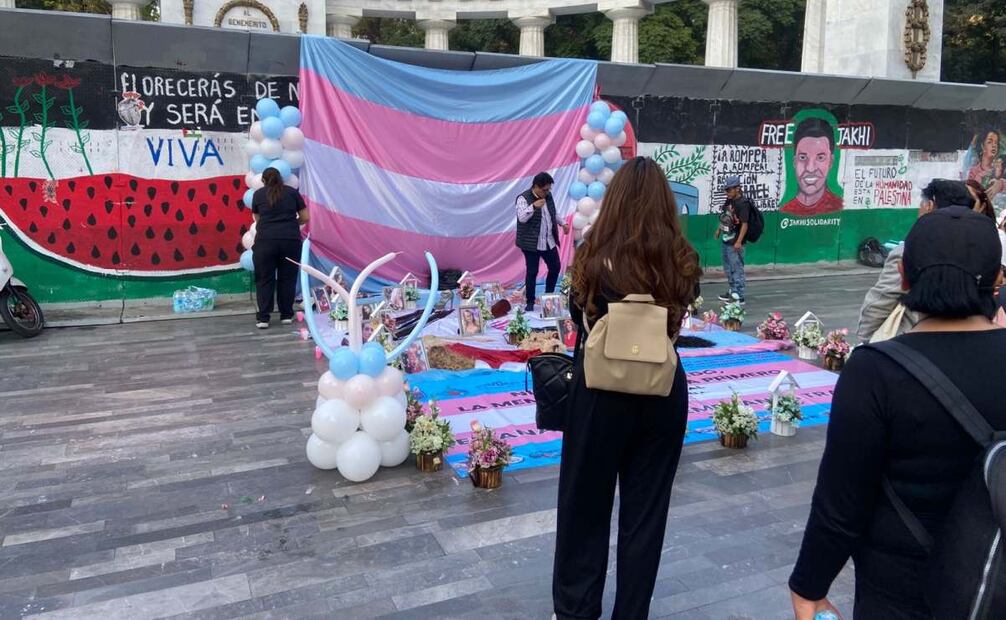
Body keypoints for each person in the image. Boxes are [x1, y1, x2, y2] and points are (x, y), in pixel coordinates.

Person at [789, 206, 1006, 619]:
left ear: (904, 277)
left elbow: (841, 503)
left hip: (900, 592)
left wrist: (809, 586)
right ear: (997, 279)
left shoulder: (874, 371)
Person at [553, 157, 700, 620]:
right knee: (645, 516)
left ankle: (577, 609)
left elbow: (578, 318)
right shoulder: (681, 261)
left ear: (614, 201)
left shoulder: (592, 256)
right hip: (660, 394)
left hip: (599, 394)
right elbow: (681, 318)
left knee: (584, 508)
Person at [857, 179, 974, 342]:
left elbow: (882, 299)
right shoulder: (977, 248)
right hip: (965, 339)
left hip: (913, 342)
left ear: (929, 206)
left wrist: (866, 340)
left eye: (921, 204)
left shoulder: (912, 250)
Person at [251, 168, 309, 329]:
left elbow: (258, 219)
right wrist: (290, 224)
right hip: (290, 241)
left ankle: (263, 318)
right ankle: (286, 315)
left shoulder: (258, 195)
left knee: (264, 279)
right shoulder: (292, 193)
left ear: (263, 181)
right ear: (281, 179)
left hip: (265, 242)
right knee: (288, 278)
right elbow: (305, 217)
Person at [516, 172, 568, 312]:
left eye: (548, 189)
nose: (547, 192)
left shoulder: (548, 196)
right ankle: (530, 301)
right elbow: (521, 218)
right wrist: (533, 206)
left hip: (548, 240)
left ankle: (549, 297)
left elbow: (553, 213)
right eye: (544, 189)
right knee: (532, 271)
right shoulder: (523, 198)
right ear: (536, 187)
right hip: (531, 243)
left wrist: (563, 223)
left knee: (555, 266)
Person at [780, 117, 844, 216]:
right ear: (794, 162)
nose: (810, 168)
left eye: (820, 158)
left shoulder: (838, 206)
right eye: (802, 157)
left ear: (831, 162)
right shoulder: (785, 209)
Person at [714, 176, 750, 305]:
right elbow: (725, 217)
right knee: (728, 268)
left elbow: (745, 224)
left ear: (738, 189)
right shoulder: (729, 201)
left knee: (737, 268)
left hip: (735, 242)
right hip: (726, 239)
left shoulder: (743, 204)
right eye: (726, 190)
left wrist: (739, 241)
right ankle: (732, 291)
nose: (727, 193)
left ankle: (739, 296)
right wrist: (719, 229)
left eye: (729, 190)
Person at [967, 129, 1003, 202]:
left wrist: (1001, 183)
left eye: (996, 143)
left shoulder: (1000, 168)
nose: (994, 145)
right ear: (983, 146)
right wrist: (982, 174)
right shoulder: (973, 171)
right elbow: (970, 192)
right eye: (990, 142)